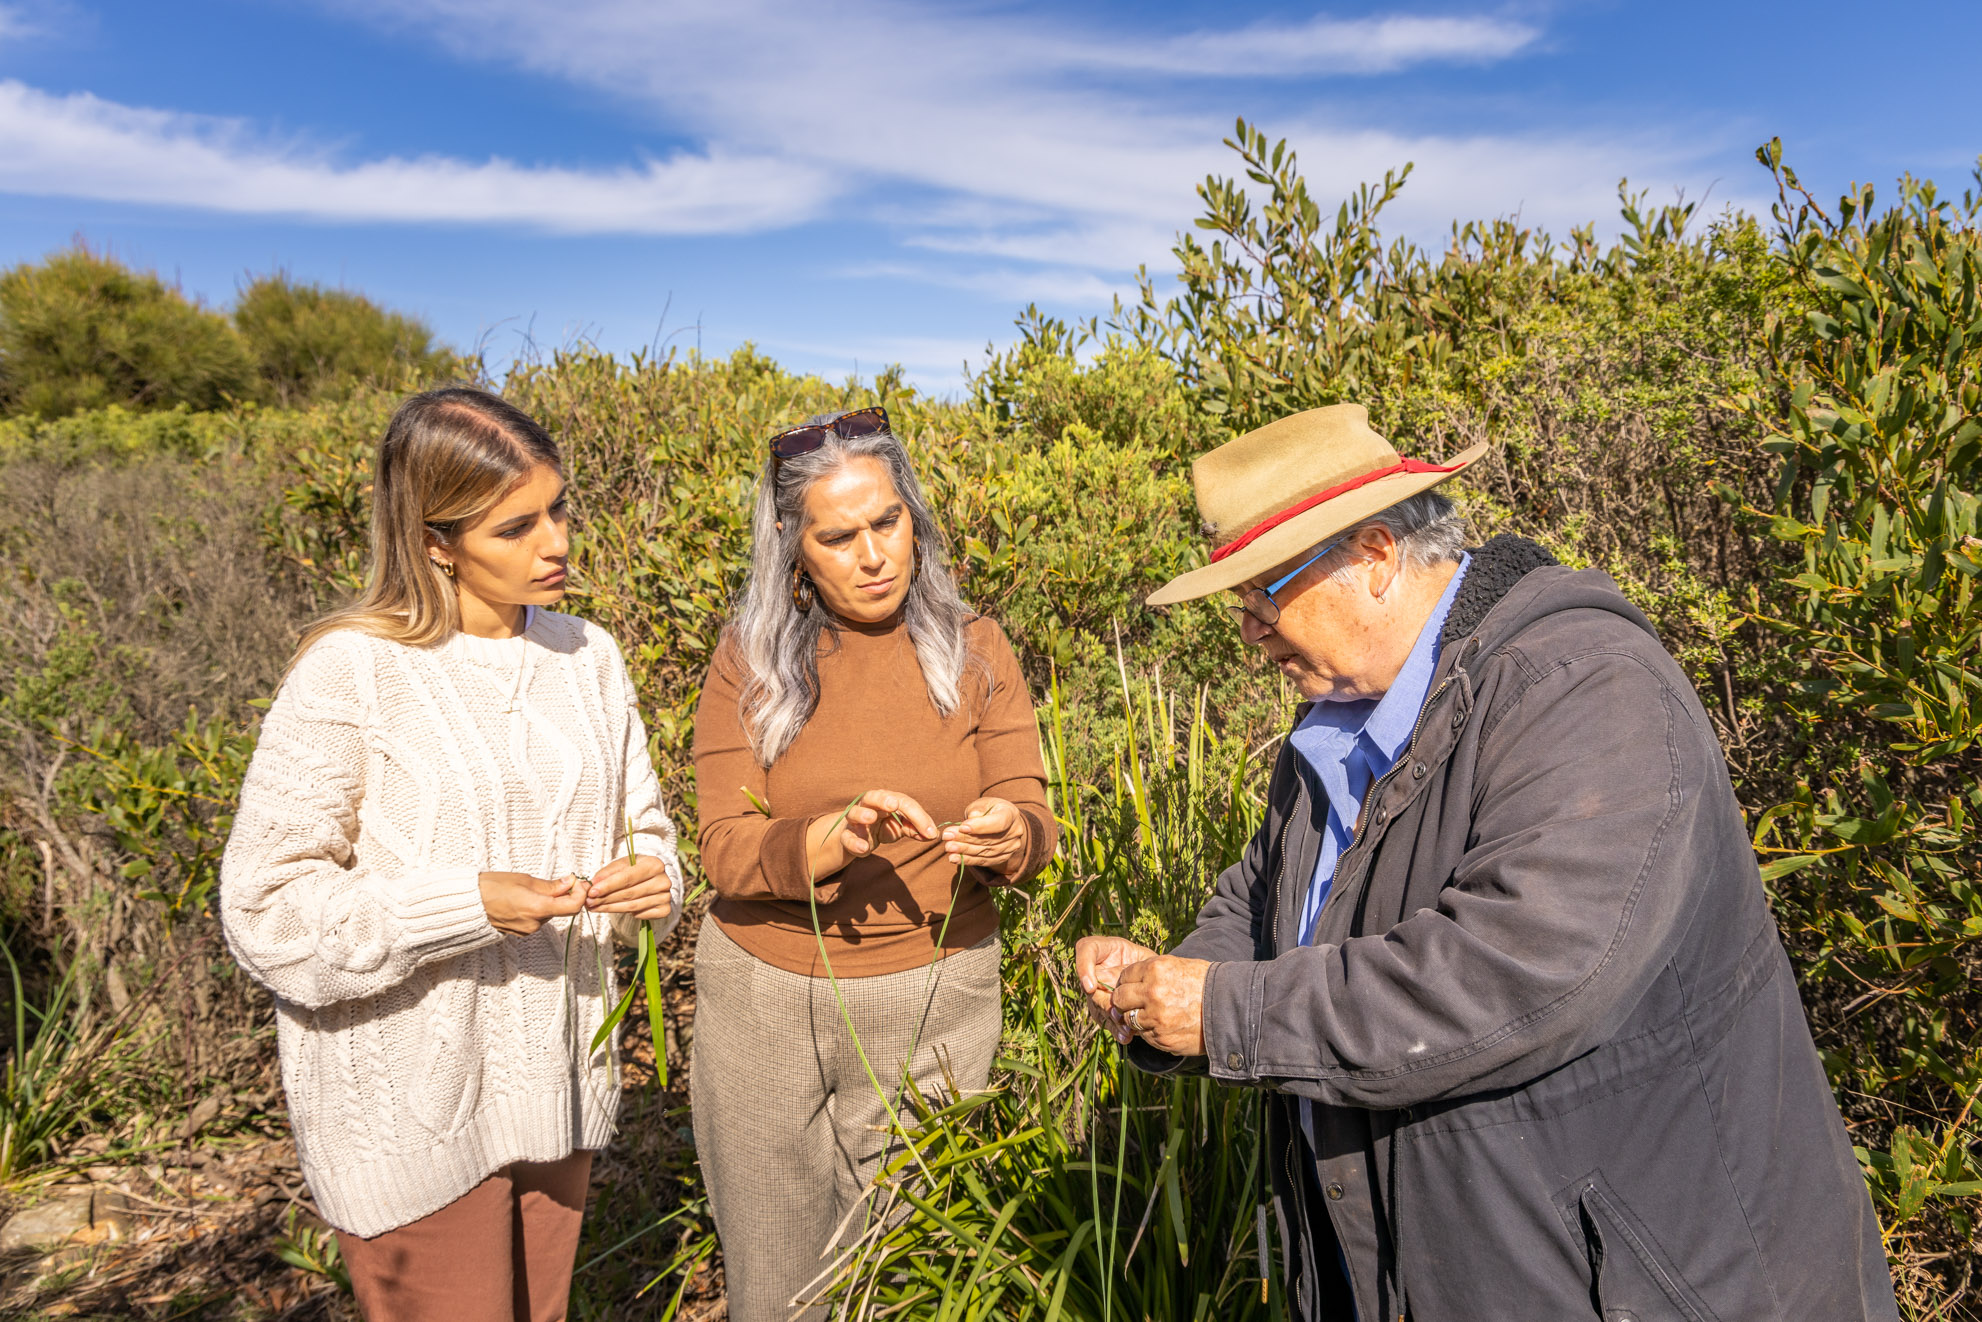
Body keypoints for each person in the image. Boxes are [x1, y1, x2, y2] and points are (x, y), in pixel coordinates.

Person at [1076, 404, 1898, 1321]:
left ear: (1378, 557)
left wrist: (1225, 1012)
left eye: (1266, 592)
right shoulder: (1329, 731)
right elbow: (1266, 898)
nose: (1251, 631)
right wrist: (1161, 985)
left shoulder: (1587, 687)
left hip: (1641, 1288)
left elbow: (1517, 972)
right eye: (1241, 603)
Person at [219, 387, 683, 1322]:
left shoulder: (588, 656)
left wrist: (656, 878)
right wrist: (467, 905)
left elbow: (647, 826)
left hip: (557, 1084)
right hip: (409, 1111)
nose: (555, 542)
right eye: (516, 526)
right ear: (435, 541)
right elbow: (264, 913)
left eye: (558, 509)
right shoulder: (351, 671)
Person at [691, 405, 1058, 1321]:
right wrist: (829, 840)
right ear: (791, 545)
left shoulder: (978, 649)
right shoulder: (749, 659)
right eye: (839, 536)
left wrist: (1011, 836)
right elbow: (724, 851)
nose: (873, 555)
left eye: (887, 523)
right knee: (777, 1291)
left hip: (940, 994)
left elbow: (1033, 814)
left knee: (904, 1281)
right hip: (764, 1004)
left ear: (914, 517)